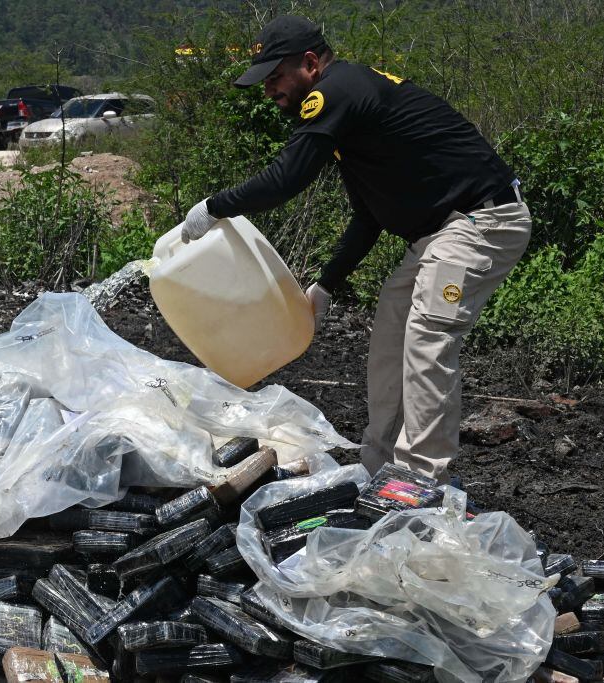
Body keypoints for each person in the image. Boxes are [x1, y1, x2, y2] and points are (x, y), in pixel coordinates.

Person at [178, 15, 532, 483]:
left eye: (275, 78)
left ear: (309, 63)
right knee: (391, 334)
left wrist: (215, 206)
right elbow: (368, 215)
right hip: (439, 235)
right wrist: (325, 286)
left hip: (480, 222)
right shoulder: (350, 111)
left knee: (428, 336)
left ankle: (420, 480)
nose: (269, 92)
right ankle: (379, 468)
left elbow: (287, 178)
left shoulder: (336, 92)